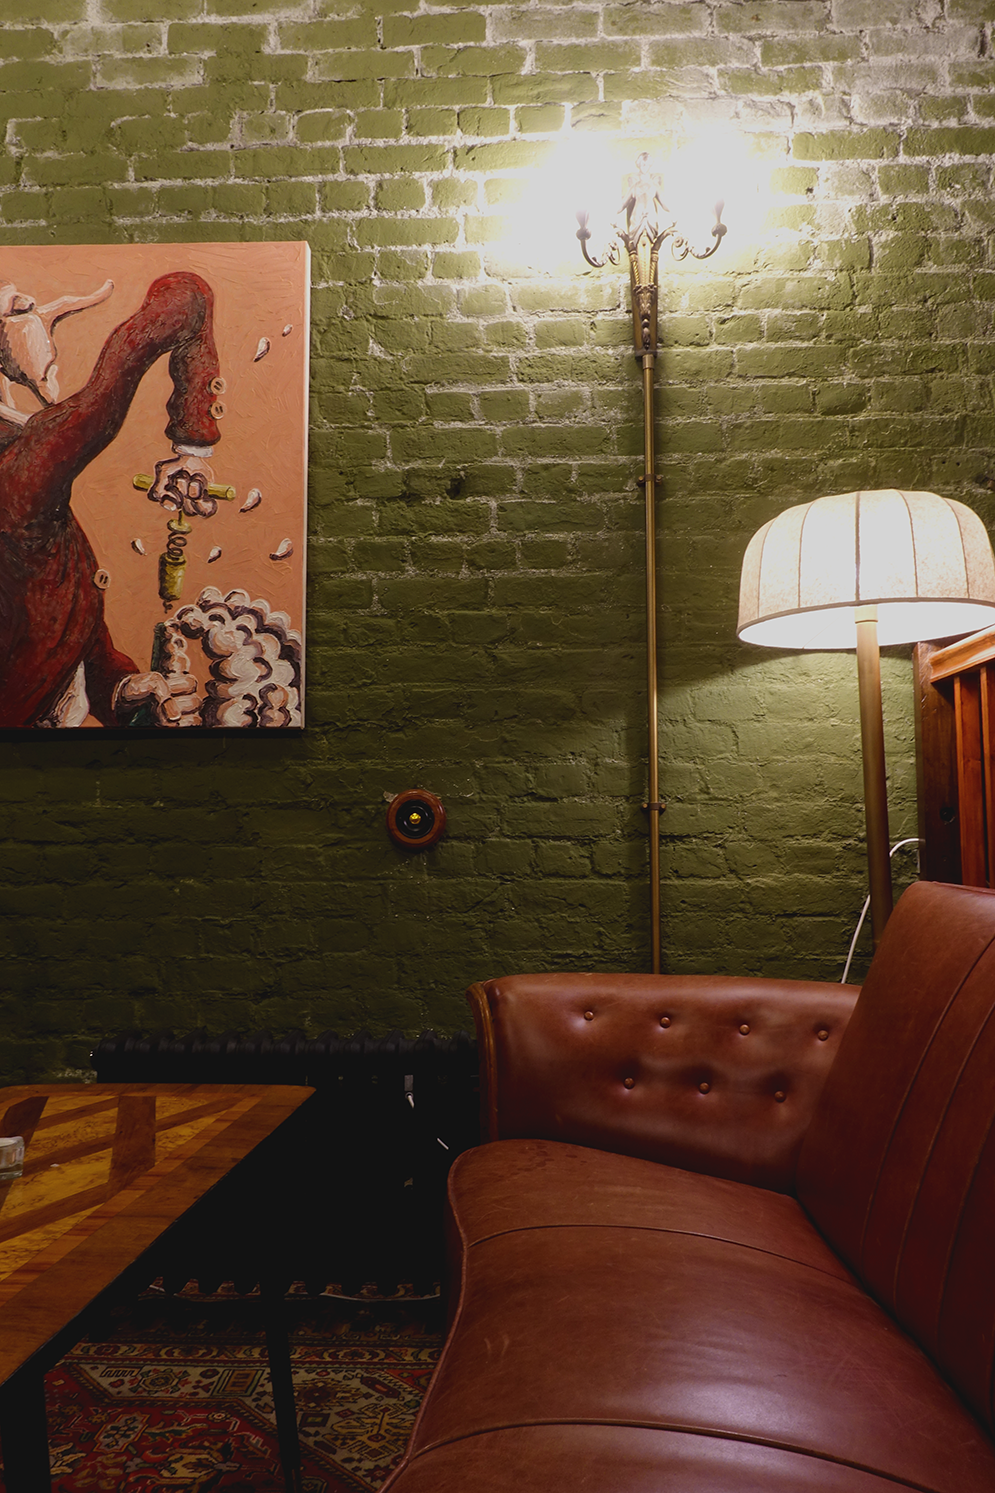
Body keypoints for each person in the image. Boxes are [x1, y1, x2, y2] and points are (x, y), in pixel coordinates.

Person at [0, 270, 224, 727]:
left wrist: (120, 689)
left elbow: (47, 619)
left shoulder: (24, 462)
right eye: (20, 307)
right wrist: (192, 443)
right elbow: (187, 297)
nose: (41, 313)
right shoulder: (22, 468)